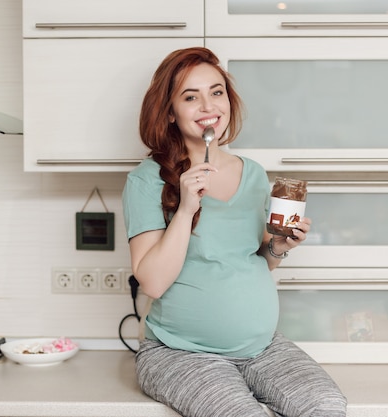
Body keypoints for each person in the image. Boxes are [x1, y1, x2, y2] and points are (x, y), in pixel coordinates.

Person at [122, 47, 347, 417]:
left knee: (327, 407)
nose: (209, 105)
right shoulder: (147, 180)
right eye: (190, 97)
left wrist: (278, 245)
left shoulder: (254, 174)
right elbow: (153, 283)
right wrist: (186, 208)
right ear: (169, 112)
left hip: (261, 348)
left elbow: (257, 261)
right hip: (179, 353)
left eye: (217, 91)